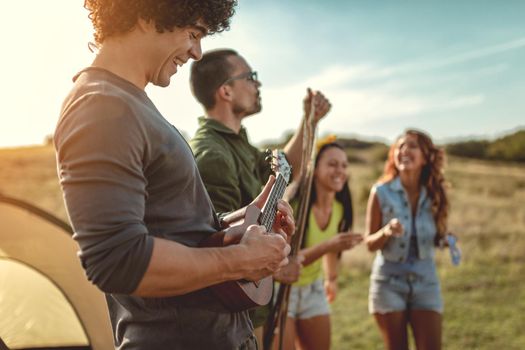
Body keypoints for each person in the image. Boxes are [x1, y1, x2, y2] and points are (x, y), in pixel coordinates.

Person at [53, 1, 295, 349]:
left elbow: (172, 226)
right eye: (194, 34)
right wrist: (240, 260)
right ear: (149, 12)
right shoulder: (102, 106)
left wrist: (248, 216)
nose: (197, 53)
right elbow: (117, 261)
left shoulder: (128, 101)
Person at [188, 48, 331, 339]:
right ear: (226, 91)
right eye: (250, 77)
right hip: (236, 322)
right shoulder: (212, 154)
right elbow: (214, 247)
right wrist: (277, 269)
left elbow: (284, 168)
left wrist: (309, 121)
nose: (258, 84)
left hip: (253, 311)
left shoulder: (236, 142)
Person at [365, 129, 449, 350]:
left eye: (412, 146)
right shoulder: (380, 192)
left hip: (426, 281)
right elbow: (369, 244)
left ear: (425, 156)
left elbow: (439, 234)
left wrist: (445, 239)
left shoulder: (435, 192)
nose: (404, 150)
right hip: (389, 282)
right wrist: (386, 232)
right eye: (400, 146)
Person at [282, 139, 363, 350]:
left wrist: (332, 279)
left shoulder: (339, 208)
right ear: (315, 169)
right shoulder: (296, 207)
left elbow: (331, 252)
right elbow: (284, 261)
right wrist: (328, 245)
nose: (340, 171)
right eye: (333, 164)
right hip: (282, 292)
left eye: (344, 165)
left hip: (313, 290)